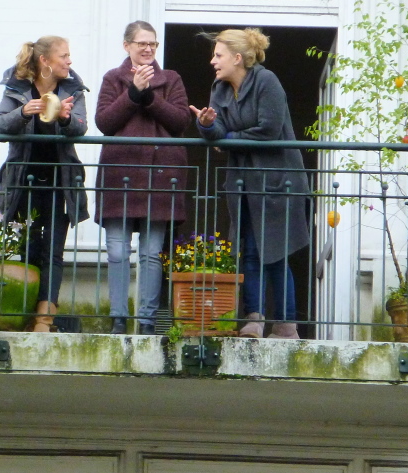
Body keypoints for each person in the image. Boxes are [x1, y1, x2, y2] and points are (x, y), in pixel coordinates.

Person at [190, 28, 309, 339]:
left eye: (218, 55)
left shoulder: (267, 81)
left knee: (276, 253)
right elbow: (217, 132)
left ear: (237, 58)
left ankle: (286, 325)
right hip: (243, 181)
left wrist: (229, 138)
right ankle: (254, 319)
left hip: (278, 180)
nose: (213, 61)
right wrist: (206, 125)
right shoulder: (219, 88)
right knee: (250, 251)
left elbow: (269, 129)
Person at [95, 21, 191, 335]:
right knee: (118, 251)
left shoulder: (171, 79)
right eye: (142, 43)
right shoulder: (113, 78)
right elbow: (104, 122)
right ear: (127, 46)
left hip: (160, 178)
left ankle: (147, 321)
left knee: (151, 254)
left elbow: (180, 121)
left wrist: (149, 96)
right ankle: (119, 318)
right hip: (119, 176)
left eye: (153, 44)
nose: (148, 49)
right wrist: (133, 92)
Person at [0, 36, 89, 332]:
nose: (69, 61)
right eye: (64, 56)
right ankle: (26, 315)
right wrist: (22, 113)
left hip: (61, 182)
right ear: (45, 60)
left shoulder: (73, 89)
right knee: (29, 249)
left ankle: (45, 319)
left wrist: (65, 119)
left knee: (53, 251)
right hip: (23, 181)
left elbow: (82, 128)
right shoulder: (17, 87)